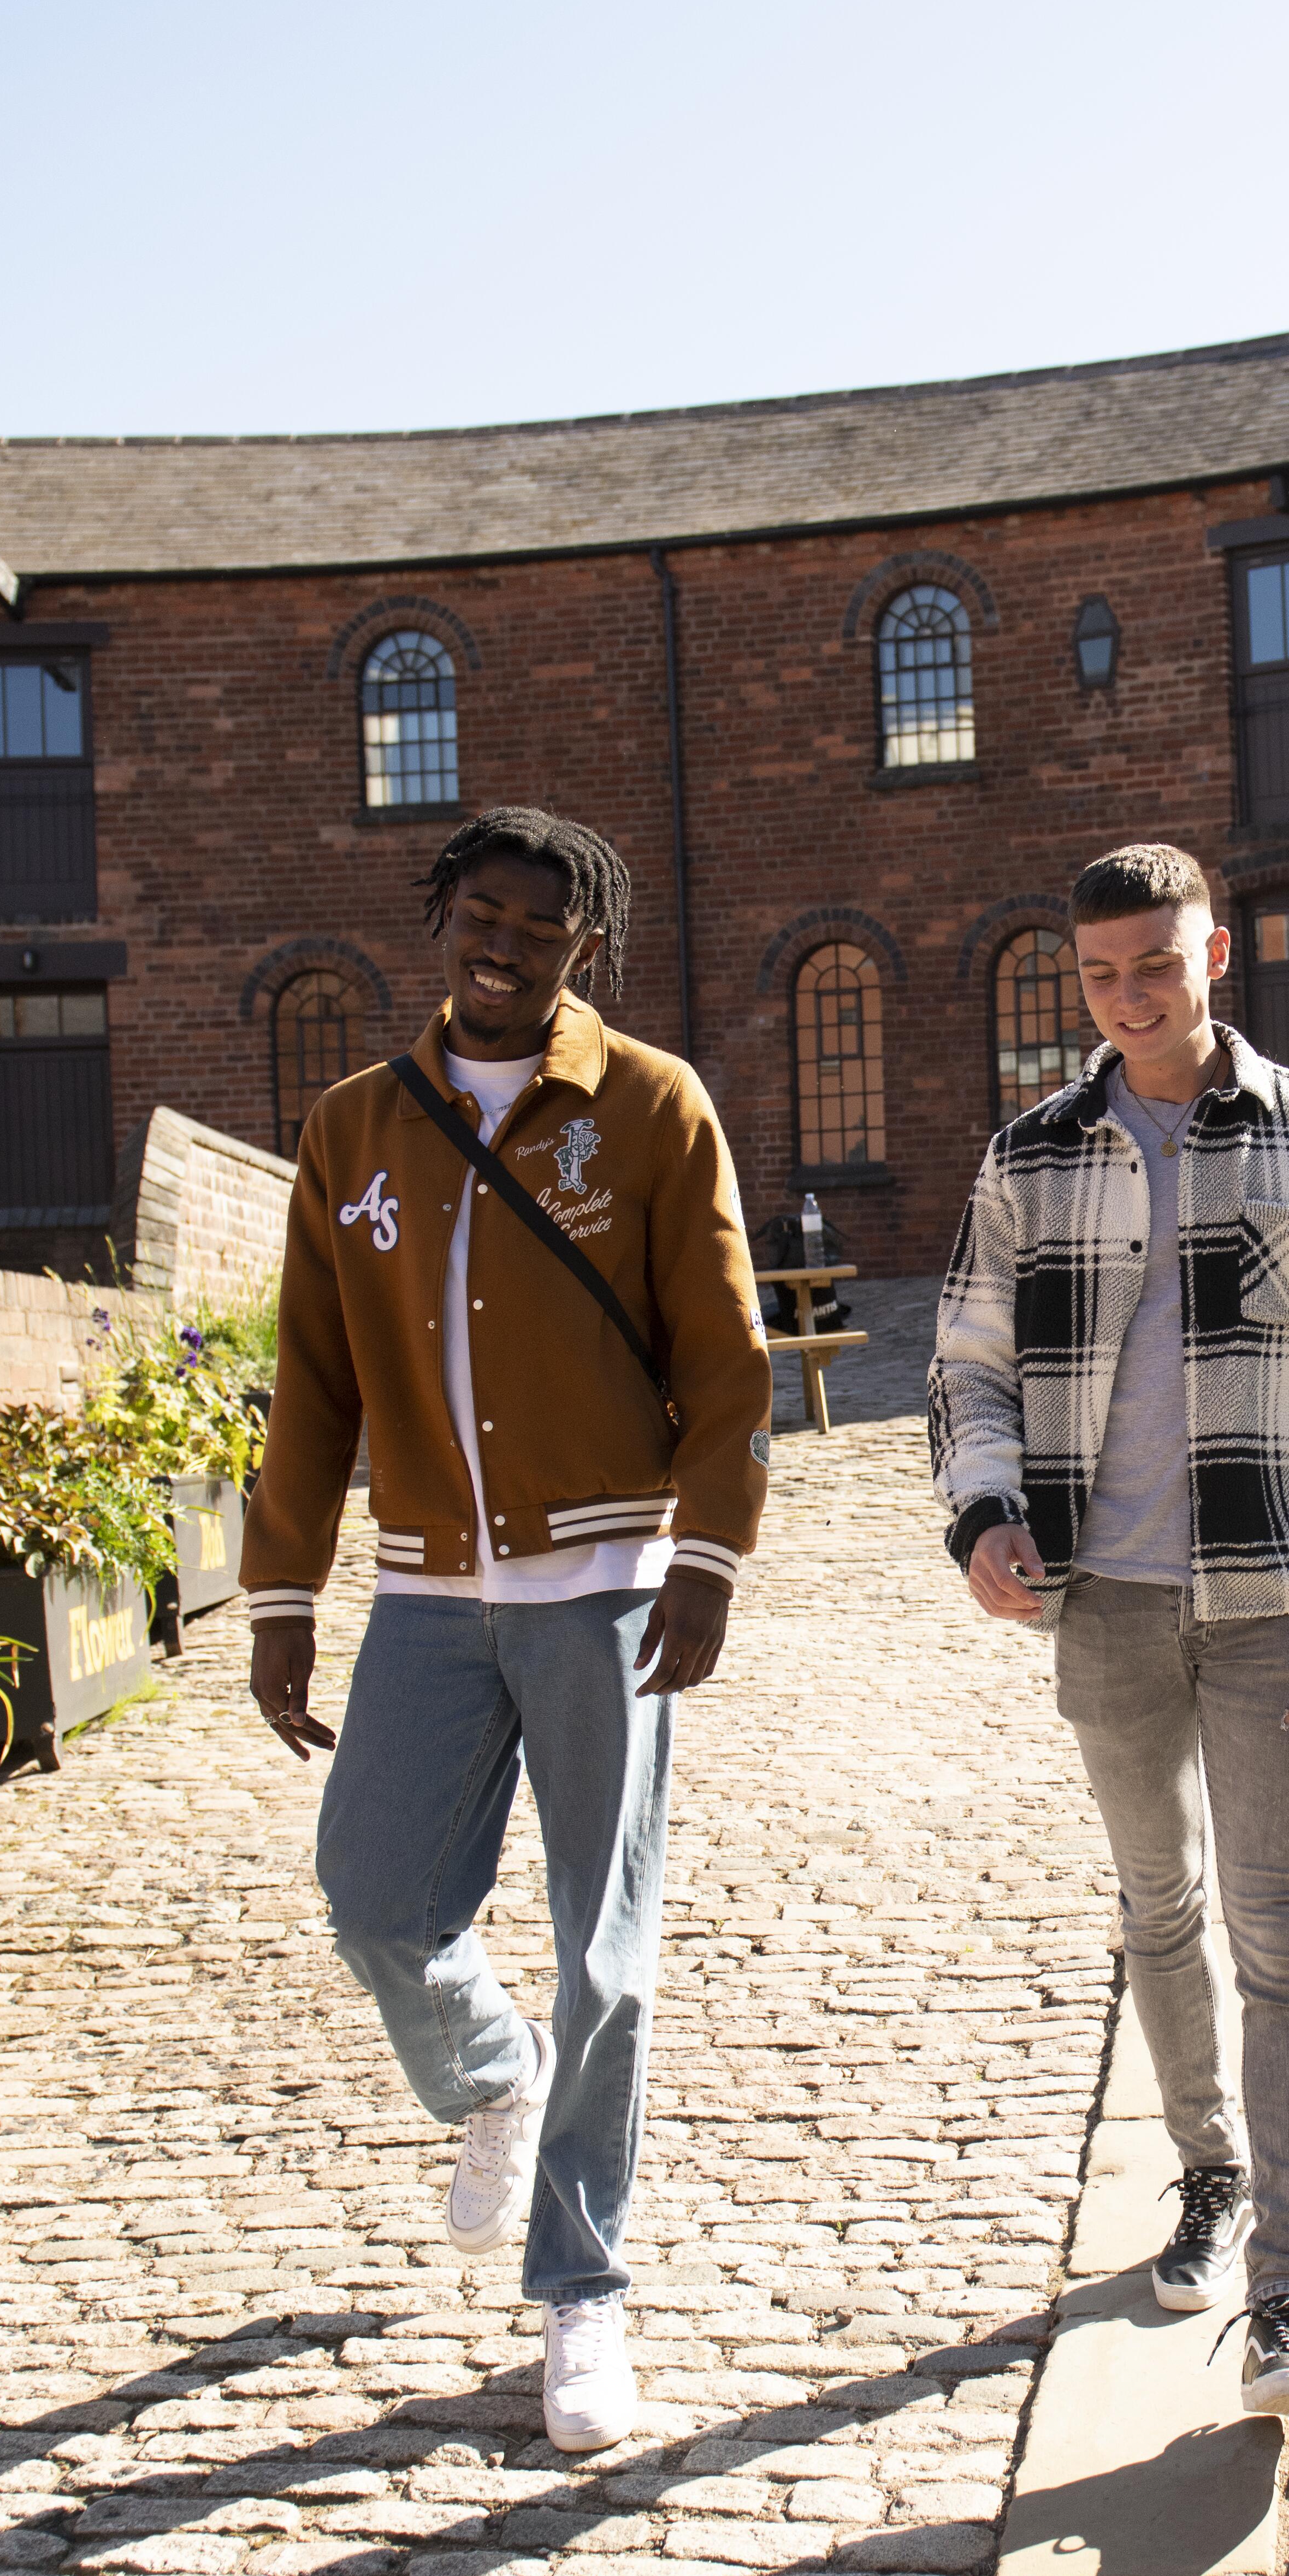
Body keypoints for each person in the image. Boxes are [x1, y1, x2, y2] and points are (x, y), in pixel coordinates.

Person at [244, 806, 774, 2453]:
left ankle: (585, 2293)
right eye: (479, 914)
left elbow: (730, 1353)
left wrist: (712, 1555)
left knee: (607, 1955)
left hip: (607, 1589)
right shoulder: (351, 1128)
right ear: (441, 920)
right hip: (427, 1593)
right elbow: (313, 1379)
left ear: (581, 952)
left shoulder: (652, 1106)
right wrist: (282, 1591)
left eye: (536, 930)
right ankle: (490, 2071)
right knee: (375, 1896)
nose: (501, 945)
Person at [930, 843, 1289, 2423]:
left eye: (1156, 967)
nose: (1130, 999)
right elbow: (964, 1362)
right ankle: (1209, 2175)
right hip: (1100, 1601)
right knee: (1157, 1904)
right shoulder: (1033, 1154)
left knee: (1281, 1934)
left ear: (1215, 953)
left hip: (1280, 1597)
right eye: (1101, 976)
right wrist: (982, 1516)